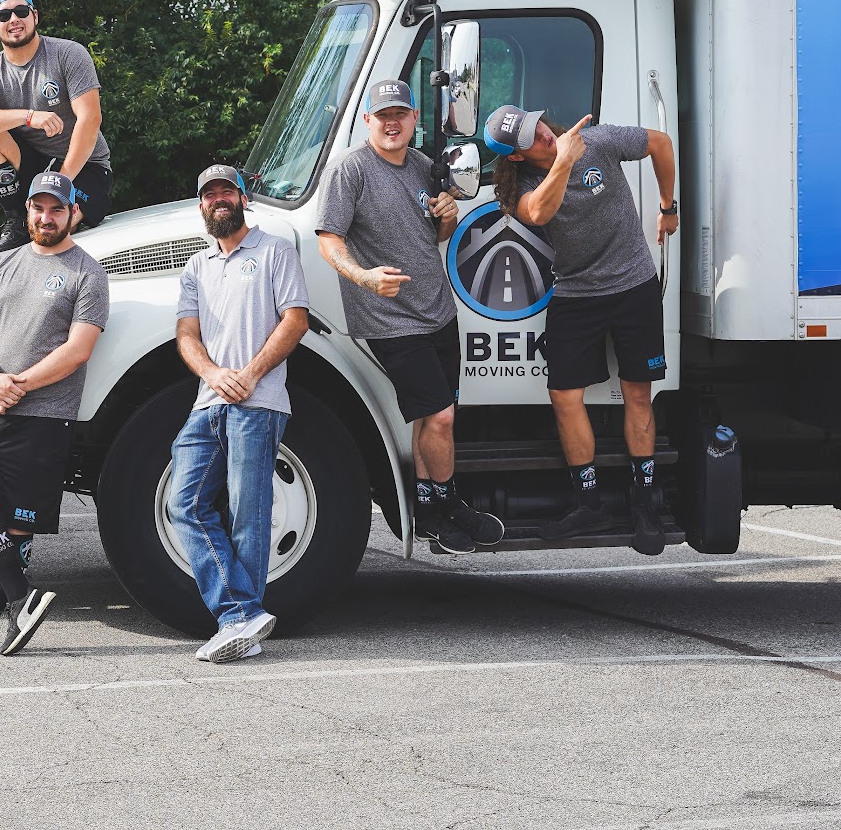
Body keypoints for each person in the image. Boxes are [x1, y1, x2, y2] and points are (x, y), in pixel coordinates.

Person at [317, 82, 504, 555]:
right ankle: (451, 502)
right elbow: (328, 239)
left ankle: (429, 512)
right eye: (383, 115)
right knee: (440, 416)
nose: (392, 122)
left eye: (399, 113)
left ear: (415, 118)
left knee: (431, 416)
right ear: (367, 120)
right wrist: (363, 277)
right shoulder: (350, 169)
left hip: (438, 312)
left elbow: (436, 233)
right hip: (389, 319)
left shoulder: (422, 166)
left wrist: (448, 214)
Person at [486, 105, 679, 555]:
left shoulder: (599, 140)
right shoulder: (522, 186)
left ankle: (645, 502)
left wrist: (668, 207)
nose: (542, 135)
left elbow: (660, 143)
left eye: (537, 125)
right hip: (576, 292)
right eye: (529, 138)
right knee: (564, 396)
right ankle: (589, 503)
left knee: (637, 393)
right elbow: (538, 212)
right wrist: (564, 160)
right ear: (516, 157)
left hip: (634, 285)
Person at [0, 172, 107, 657]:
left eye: (56, 208)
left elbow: (78, 349)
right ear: (27, 211)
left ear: (72, 212)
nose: (46, 217)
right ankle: (23, 595)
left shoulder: (88, 273)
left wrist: (17, 387)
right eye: (38, 207)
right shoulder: (1, 264)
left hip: (46, 415)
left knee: (18, 524)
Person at [170, 165, 310, 665]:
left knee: (248, 516)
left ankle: (238, 625)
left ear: (243, 198)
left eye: (226, 191)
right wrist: (213, 374)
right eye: (209, 194)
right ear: (201, 206)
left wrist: (250, 374)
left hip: (259, 400)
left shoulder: (275, 250)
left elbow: (296, 320)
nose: (218, 200)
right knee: (184, 504)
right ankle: (241, 615)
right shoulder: (196, 266)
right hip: (207, 403)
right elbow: (187, 334)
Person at [0, 0, 115, 252]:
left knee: (52, 229)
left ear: (35, 16)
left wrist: (61, 183)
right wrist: (28, 117)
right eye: (4, 15)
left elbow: (90, 119)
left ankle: (54, 214)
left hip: (83, 167)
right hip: (34, 164)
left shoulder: (68, 53)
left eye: (21, 11)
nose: (14, 19)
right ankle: (17, 219)